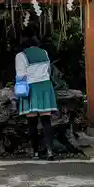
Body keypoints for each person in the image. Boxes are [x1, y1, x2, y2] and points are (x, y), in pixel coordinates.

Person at [15, 29, 58, 161]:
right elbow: (49, 71)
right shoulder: (44, 53)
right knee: (46, 120)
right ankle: (50, 151)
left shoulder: (21, 56)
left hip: (31, 88)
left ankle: (35, 152)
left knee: (32, 122)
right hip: (46, 87)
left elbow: (21, 75)